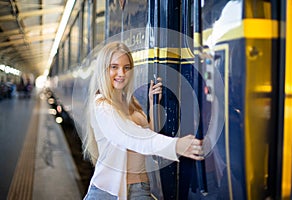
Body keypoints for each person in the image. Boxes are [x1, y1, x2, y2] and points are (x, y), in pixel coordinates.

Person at [83, 41, 204, 200]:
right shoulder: (101, 105)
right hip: (108, 192)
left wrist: (153, 105)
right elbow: (128, 136)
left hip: (141, 188)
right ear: (103, 70)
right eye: (114, 67)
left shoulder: (130, 101)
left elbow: (145, 136)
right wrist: (175, 145)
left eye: (126, 68)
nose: (121, 73)